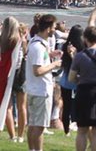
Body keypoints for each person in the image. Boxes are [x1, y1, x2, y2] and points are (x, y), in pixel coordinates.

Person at [25, 14, 63, 151]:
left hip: (34, 89)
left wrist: (51, 55)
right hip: (41, 91)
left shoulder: (37, 42)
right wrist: (55, 65)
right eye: (53, 27)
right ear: (47, 28)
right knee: (39, 127)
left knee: (32, 124)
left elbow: (39, 61)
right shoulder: (38, 47)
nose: (55, 29)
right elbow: (38, 70)